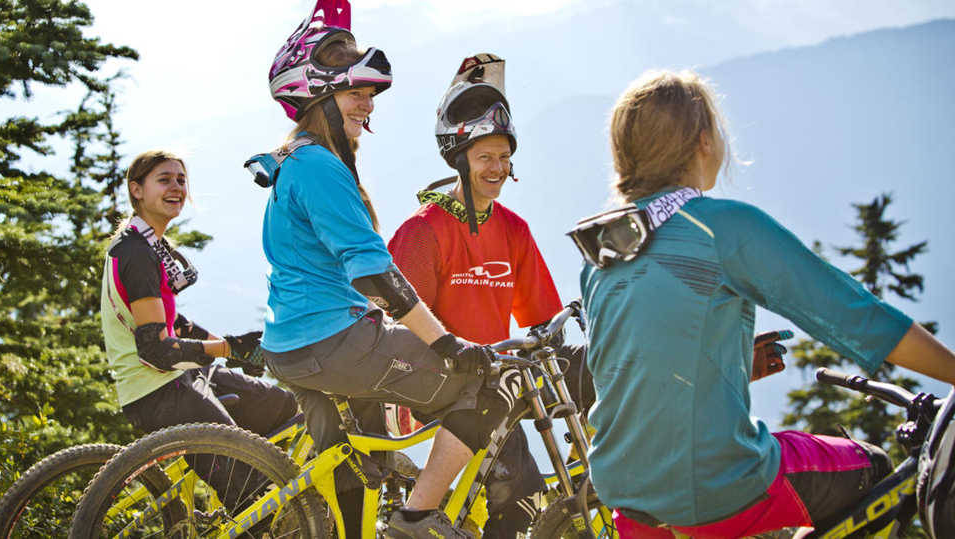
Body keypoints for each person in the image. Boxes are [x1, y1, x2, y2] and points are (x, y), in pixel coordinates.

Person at [575, 69, 955, 537]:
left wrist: (722, 366)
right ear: (703, 142)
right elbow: (859, 318)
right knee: (872, 469)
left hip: (627, 497)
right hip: (713, 487)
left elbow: (626, 366)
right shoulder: (721, 227)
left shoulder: (604, 248)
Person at [255, 2, 513, 537]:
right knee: (488, 387)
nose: (367, 105)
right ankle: (416, 519)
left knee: (356, 464)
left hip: (294, 341)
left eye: (370, 95)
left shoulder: (295, 161)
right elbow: (373, 274)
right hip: (330, 340)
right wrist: (447, 344)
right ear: (318, 96)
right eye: (356, 93)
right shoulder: (319, 167)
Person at [387, 52, 592, 538]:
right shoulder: (423, 231)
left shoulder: (513, 229)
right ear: (460, 161)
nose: (497, 168)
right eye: (485, 158)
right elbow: (397, 327)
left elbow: (542, 322)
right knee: (515, 499)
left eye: (504, 157)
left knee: (523, 502)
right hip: (442, 392)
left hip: (495, 385)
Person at [99, 149, 299, 505]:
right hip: (156, 392)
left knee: (281, 407)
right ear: (137, 190)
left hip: (182, 378)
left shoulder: (149, 246)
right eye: (164, 180)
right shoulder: (136, 253)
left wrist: (234, 348)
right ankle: (260, 512)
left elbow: (174, 323)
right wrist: (228, 348)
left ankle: (276, 497)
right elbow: (156, 349)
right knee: (248, 486)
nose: (176, 187)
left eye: (181, 180)